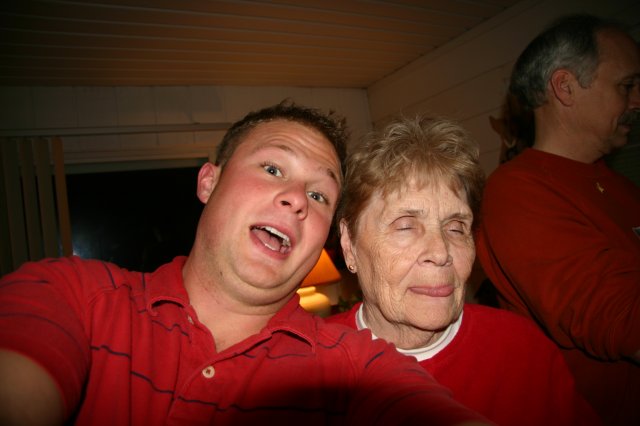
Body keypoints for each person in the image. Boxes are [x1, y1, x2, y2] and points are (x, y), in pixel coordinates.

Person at [0, 102, 494, 425]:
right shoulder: (72, 294)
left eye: (319, 195)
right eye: (273, 168)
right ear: (209, 182)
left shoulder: (352, 366)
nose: (297, 198)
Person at [327, 115, 601, 426]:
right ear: (349, 244)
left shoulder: (523, 348)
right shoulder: (309, 362)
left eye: (456, 228)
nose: (441, 252)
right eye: (405, 226)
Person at [475, 14, 640, 425]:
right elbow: (621, 321)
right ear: (564, 86)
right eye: (626, 86)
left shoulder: (621, 186)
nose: (637, 100)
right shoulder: (518, 191)